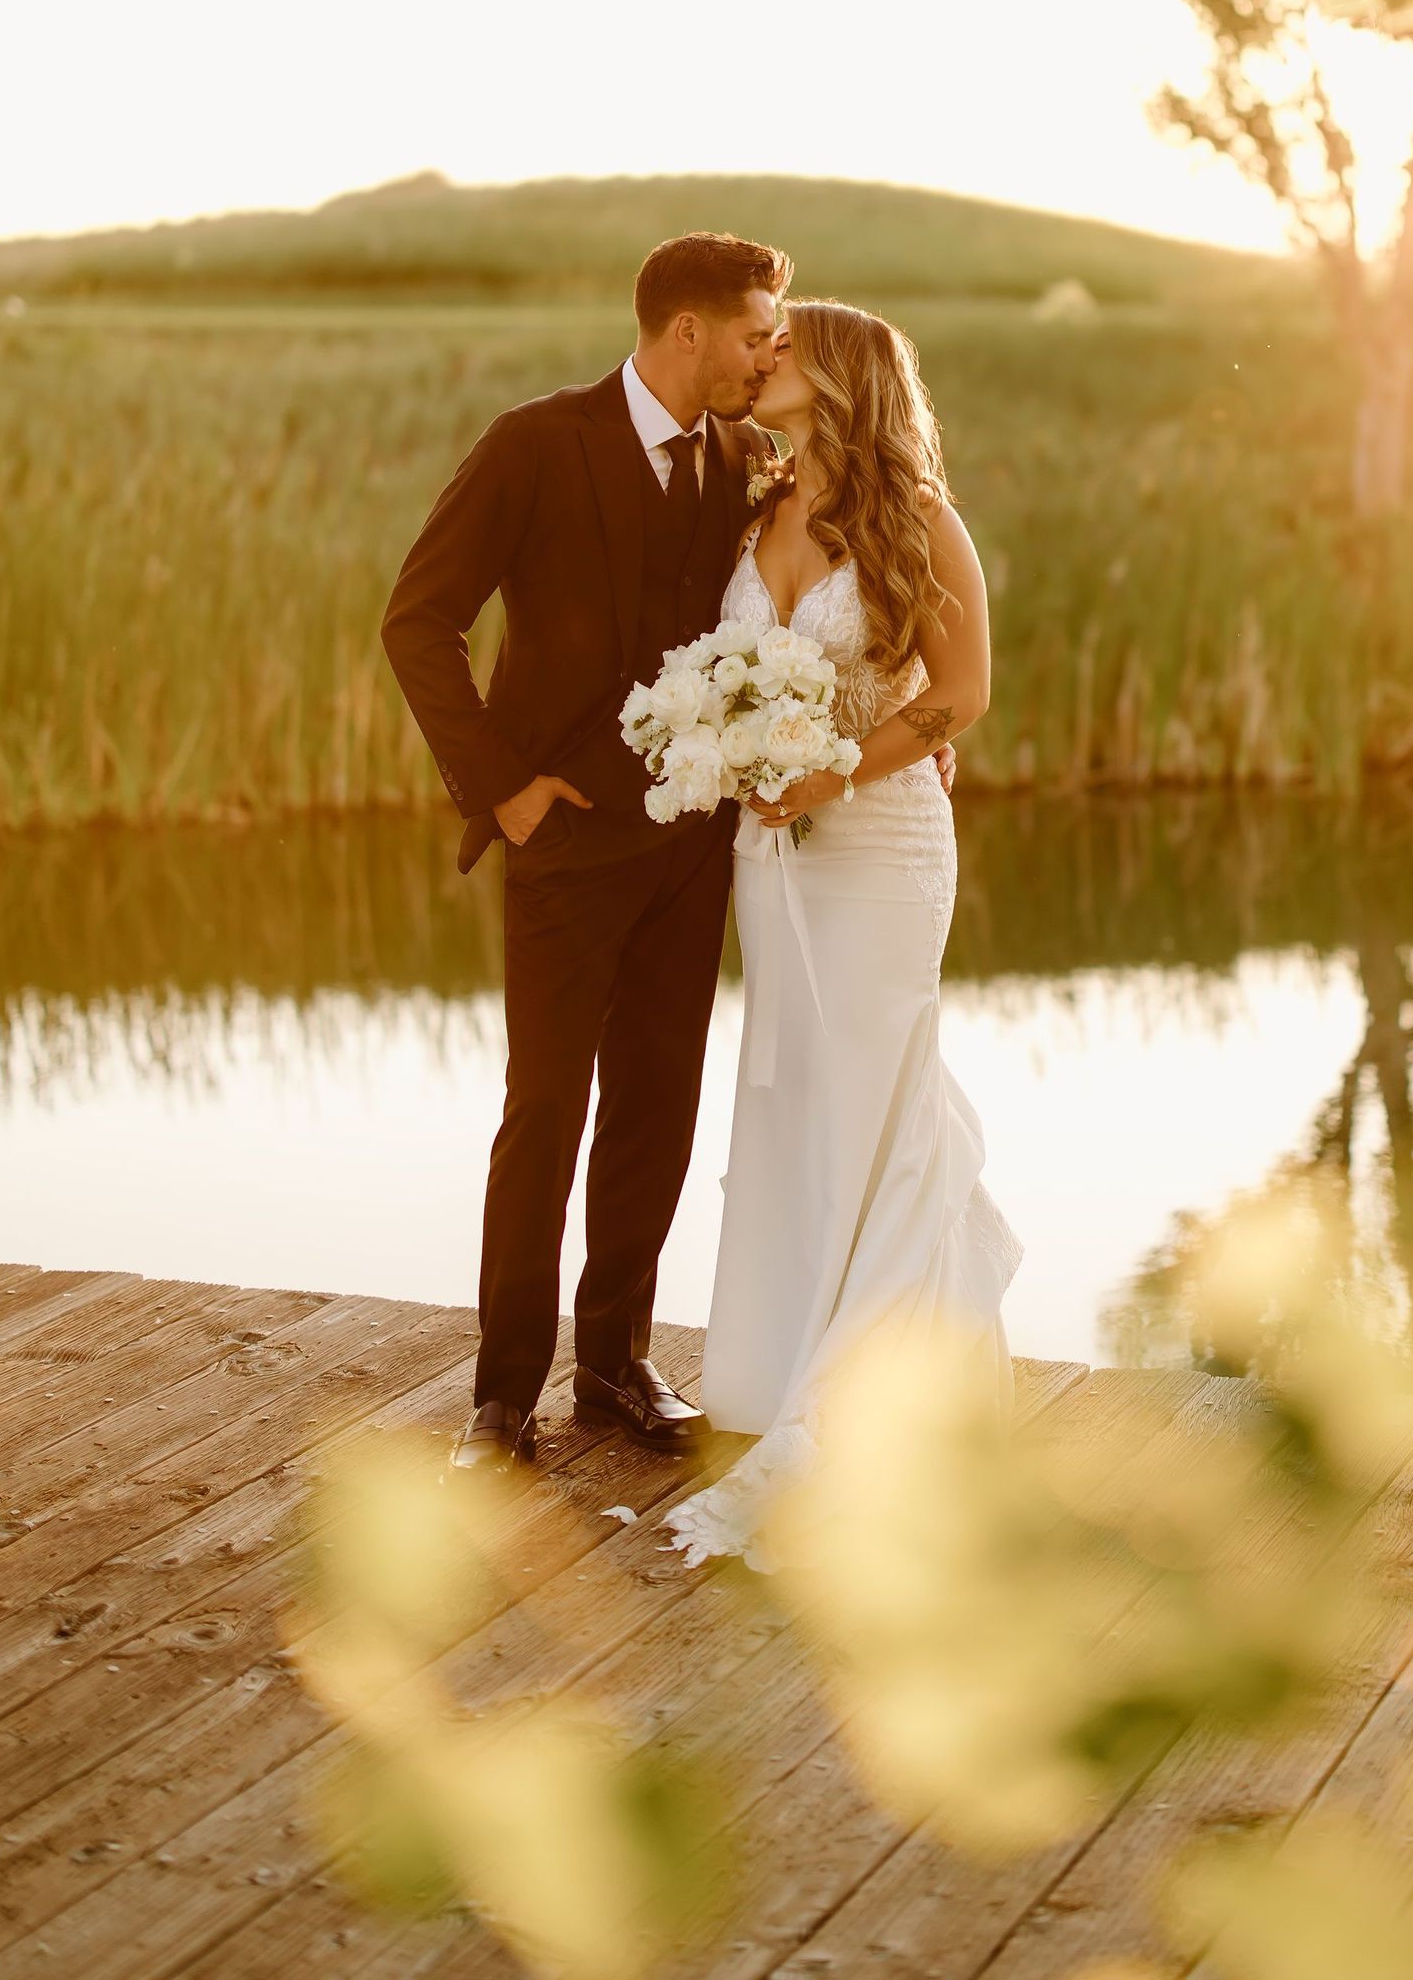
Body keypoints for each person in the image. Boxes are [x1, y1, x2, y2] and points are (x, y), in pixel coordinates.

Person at [380, 232, 789, 1471]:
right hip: (562, 844)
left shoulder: (752, 461)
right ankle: (504, 1393)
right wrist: (504, 794)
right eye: (754, 333)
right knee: (545, 1108)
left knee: (658, 1107)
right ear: (687, 332)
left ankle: (615, 1364)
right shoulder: (535, 446)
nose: (767, 355)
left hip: (692, 845)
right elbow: (419, 622)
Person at [663, 299, 1020, 1569]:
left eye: (782, 351)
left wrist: (829, 774)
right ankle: (779, 1363)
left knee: (875, 1091)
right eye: (756, 349)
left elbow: (962, 698)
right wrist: (728, 745)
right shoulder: (754, 508)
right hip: (777, 858)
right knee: (797, 1091)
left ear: (843, 378)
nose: (760, 364)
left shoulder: (920, 521)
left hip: (880, 849)